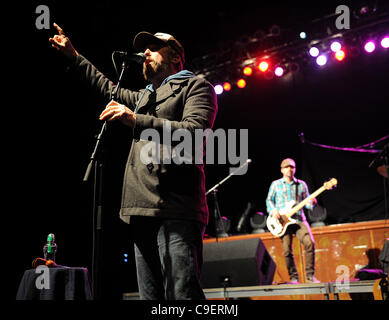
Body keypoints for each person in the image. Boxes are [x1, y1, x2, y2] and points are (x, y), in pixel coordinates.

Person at [49, 23, 218, 300]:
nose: (145, 52)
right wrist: (74, 54)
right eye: (143, 49)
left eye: (153, 47)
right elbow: (106, 86)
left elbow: (194, 133)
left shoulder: (196, 86)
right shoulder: (143, 97)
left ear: (175, 56)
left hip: (176, 207)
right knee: (150, 296)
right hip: (141, 206)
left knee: (181, 294)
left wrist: (136, 120)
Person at [266, 158, 319, 284]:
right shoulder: (276, 184)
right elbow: (269, 200)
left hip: (299, 219)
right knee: (286, 250)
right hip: (283, 221)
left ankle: (310, 276)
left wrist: (312, 202)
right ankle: (293, 277)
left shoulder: (301, 185)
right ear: (282, 170)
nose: (289, 169)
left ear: (295, 169)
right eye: (286, 167)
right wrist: (273, 211)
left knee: (309, 243)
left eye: (292, 167)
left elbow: (307, 203)